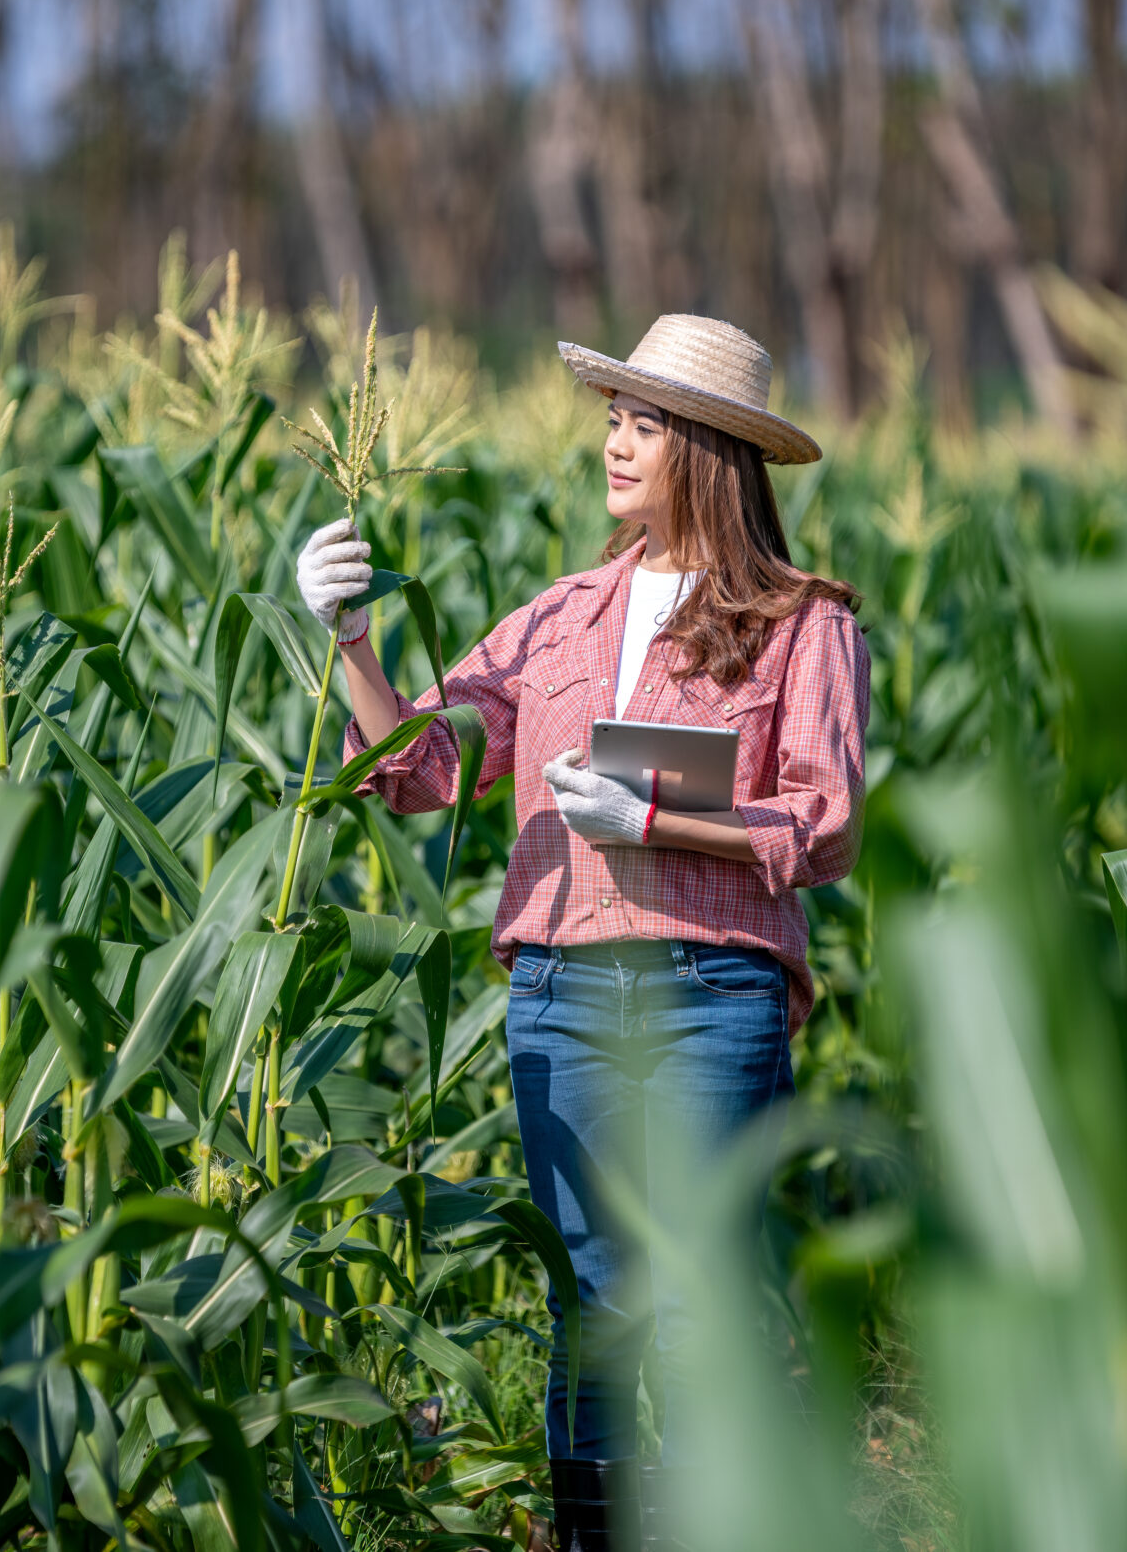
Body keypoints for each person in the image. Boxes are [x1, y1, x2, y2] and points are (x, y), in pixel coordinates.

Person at [294, 314, 870, 1551]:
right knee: (591, 1309)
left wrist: (656, 820)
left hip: (710, 993)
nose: (613, 444)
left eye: (642, 426)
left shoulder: (805, 623)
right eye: (612, 419)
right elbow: (419, 767)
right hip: (559, 992)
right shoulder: (555, 617)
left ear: (707, 451)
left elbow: (824, 825)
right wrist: (350, 639)